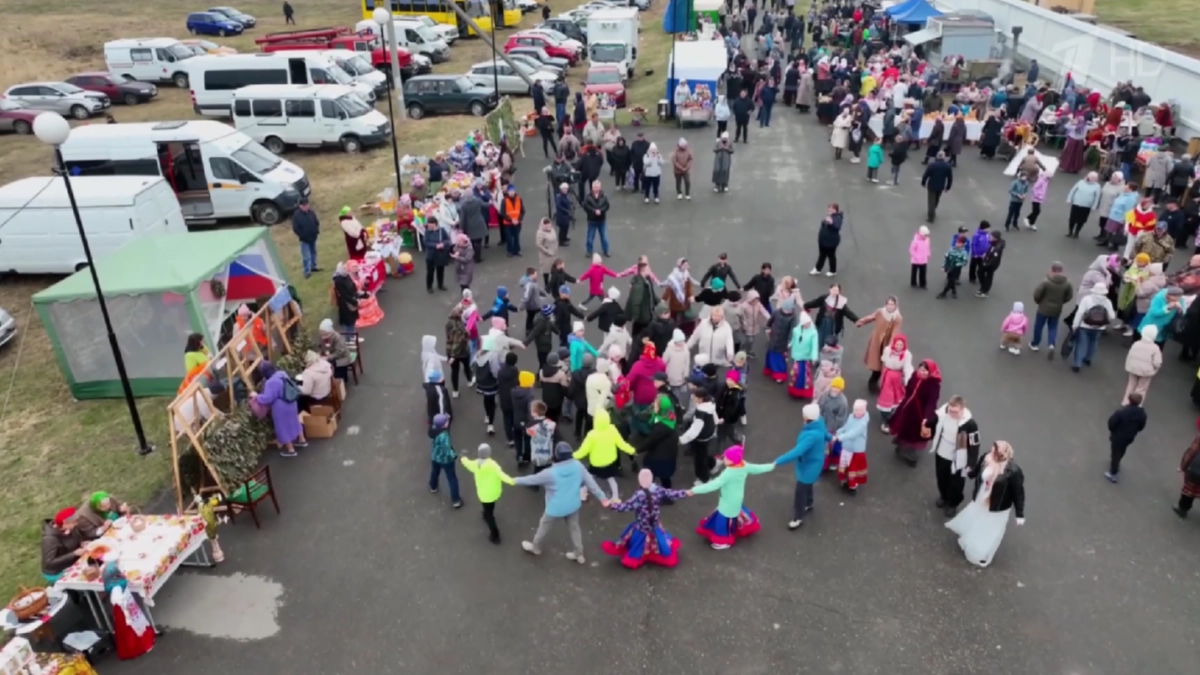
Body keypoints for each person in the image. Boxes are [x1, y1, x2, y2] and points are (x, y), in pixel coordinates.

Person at [945, 441, 1026, 568]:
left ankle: (981, 552)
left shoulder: (1014, 472)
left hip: (997, 506)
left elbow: (1018, 493)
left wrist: (1019, 514)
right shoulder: (986, 458)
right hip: (982, 497)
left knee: (989, 529)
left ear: (1002, 455)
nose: (991, 453)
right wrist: (967, 472)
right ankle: (971, 542)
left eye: (994, 452)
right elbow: (976, 472)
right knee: (977, 520)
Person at [601, 469, 693, 570]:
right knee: (660, 541)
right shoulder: (658, 490)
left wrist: (610, 505)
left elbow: (626, 506)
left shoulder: (639, 495)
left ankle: (638, 556)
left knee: (638, 544)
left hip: (642, 526)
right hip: (654, 524)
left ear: (639, 481)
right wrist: (685, 493)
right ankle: (656, 553)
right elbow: (671, 493)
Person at [692, 445, 774, 549]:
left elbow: (713, 485)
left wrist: (694, 490)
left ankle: (723, 541)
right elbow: (758, 468)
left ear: (732, 461)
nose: (724, 459)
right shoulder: (744, 465)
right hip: (736, 499)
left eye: (726, 458)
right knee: (733, 514)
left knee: (724, 520)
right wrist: (772, 465)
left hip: (728, 501)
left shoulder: (728, 473)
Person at [774, 404, 829, 529]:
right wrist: (832, 438)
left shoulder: (810, 436)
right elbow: (825, 434)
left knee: (800, 492)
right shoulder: (819, 422)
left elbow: (797, 451)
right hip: (815, 462)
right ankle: (809, 503)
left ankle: (798, 517)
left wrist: (777, 461)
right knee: (808, 485)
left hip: (809, 466)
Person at [926, 396, 981, 517]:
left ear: (962, 409)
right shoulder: (943, 413)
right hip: (942, 452)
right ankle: (944, 496)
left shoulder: (970, 424)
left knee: (956, 483)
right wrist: (925, 424)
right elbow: (933, 421)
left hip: (959, 457)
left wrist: (971, 463)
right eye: (950, 410)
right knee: (941, 477)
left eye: (955, 412)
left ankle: (952, 503)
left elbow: (974, 445)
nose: (951, 413)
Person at [890, 359, 943, 467]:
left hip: (919, 415)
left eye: (925, 371)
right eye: (921, 369)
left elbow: (932, 402)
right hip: (907, 408)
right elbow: (909, 389)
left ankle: (909, 454)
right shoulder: (915, 375)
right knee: (904, 427)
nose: (921, 372)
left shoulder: (934, 385)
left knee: (913, 434)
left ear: (930, 372)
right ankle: (904, 449)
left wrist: (926, 417)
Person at [103, 554, 156, 660]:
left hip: (126, 605)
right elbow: (119, 602)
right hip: (125, 610)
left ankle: (140, 641)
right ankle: (136, 647)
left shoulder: (115, 582)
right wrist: (127, 615)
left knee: (136, 622)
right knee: (132, 628)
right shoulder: (116, 589)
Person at [252, 360, 306, 457]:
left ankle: (291, 450)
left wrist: (256, 396)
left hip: (281, 406)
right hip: (291, 401)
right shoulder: (282, 373)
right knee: (295, 421)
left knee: (283, 427)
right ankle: (302, 440)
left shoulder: (271, 382)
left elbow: (268, 398)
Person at [635, 393, 683, 489]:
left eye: (656, 403)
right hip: (669, 454)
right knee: (665, 478)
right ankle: (667, 494)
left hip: (659, 457)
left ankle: (646, 493)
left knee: (649, 475)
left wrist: (637, 450)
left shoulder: (661, 427)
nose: (653, 404)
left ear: (661, 407)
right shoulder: (670, 415)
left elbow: (650, 441)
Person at [1030, 262, 1074, 356]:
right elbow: (1069, 296)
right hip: (1057, 309)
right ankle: (1051, 344)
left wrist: (1039, 302)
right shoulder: (1067, 283)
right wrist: (1061, 302)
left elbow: (1037, 294)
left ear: (1051, 270)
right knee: (1053, 327)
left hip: (1043, 308)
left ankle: (1035, 344)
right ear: (1061, 270)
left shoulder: (1046, 282)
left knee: (1039, 326)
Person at [1070, 282, 1116, 373]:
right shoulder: (1107, 301)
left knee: (1081, 344)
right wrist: (1105, 321)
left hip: (1085, 325)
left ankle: (1077, 364)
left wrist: (1075, 324)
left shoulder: (1087, 299)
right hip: (1099, 327)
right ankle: (1088, 359)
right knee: (1093, 342)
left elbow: (1080, 312)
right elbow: (1112, 316)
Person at [1105, 393, 1147, 483]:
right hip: (1130, 436)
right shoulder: (1142, 414)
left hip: (1118, 436)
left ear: (1129, 400)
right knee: (1122, 449)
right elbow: (1141, 426)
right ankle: (1117, 460)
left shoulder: (1121, 412)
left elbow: (1111, 423)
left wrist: (1113, 431)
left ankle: (1113, 473)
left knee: (1115, 453)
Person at [427, 413, 463, 508]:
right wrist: (455, 456)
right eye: (446, 421)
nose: (448, 422)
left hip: (435, 456)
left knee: (435, 472)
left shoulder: (433, 430)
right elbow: (447, 449)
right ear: (443, 425)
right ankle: (456, 500)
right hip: (446, 460)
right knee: (452, 478)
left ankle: (433, 486)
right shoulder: (444, 435)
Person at [835, 399, 870, 493]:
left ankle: (853, 485)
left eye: (859, 410)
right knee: (844, 464)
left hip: (855, 450)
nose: (857, 412)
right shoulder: (851, 416)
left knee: (853, 468)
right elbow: (846, 427)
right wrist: (839, 432)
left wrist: (839, 437)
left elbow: (853, 434)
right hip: (846, 446)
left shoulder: (862, 423)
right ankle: (844, 480)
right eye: (855, 410)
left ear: (864, 410)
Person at [41, 507, 83, 582]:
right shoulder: (50, 540)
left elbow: (76, 538)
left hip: (70, 563)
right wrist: (74, 554)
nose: (76, 524)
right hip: (57, 572)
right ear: (64, 524)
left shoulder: (69, 529)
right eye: (74, 522)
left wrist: (82, 543)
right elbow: (49, 562)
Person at [579, 180, 611, 257]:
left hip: (601, 220)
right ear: (592, 187)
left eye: (597, 187)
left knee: (604, 237)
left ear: (600, 187)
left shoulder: (604, 196)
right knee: (590, 237)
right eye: (595, 187)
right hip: (592, 220)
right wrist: (594, 211)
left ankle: (606, 250)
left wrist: (601, 211)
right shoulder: (588, 197)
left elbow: (607, 205)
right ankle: (589, 251)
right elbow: (586, 206)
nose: (596, 188)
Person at [1172, 434, 1200, 519]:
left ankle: (1182, 509)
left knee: (1189, 490)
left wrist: (1183, 466)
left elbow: (1193, 451)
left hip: (1197, 470)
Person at [921, 152, 954, 222]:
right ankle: (933, 209)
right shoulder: (947, 166)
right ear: (944, 157)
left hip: (932, 185)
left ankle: (931, 215)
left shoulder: (932, 165)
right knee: (937, 199)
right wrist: (948, 187)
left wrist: (923, 182)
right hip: (941, 186)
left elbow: (926, 175)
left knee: (931, 200)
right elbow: (950, 178)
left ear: (937, 157)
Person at [291, 198, 319, 278]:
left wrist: (316, 231)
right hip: (304, 239)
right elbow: (295, 228)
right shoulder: (296, 216)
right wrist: (302, 235)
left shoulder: (311, 212)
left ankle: (313, 266)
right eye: (304, 205)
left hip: (313, 237)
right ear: (300, 206)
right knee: (306, 256)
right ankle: (307, 271)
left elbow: (316, 222)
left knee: (313, 253)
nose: (306, 206)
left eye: (307, 205)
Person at [936, 235, 969, 299]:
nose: (957, 244)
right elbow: (946, 258)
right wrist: (943, 266)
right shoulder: (951, 249)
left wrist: (958, 264)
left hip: (956, 269)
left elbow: (965, 262)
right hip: (949, 267)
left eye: (959, 243)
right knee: (950, 280)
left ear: (963, 244)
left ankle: (943, 293)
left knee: (951, 281)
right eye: (957, 242)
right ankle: (954, 291)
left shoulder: (964, 252)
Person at [500, 183, 525, 257]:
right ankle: (510, 251)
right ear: (507, 192)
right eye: (510, 191)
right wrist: (512, 220)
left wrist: (519, 219)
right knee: (509, 238)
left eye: (513, 191)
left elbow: (522, 211)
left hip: (517, 222)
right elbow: (503, 213)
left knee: (516, 237)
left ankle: (517, 250)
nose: (512, 192)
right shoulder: (504, 200)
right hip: (508, 223)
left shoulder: (519, 199)